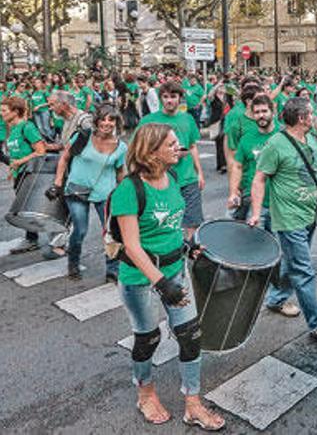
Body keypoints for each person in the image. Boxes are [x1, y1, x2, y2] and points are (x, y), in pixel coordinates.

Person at [110, 123, 225, 431]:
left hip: (176, 270)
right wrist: (161, 284)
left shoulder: (172, 177)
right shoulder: (129, 189)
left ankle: (193, 404)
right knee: (148, 338)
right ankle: (145, 394)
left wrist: (188, 246)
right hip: (140, 279)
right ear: (151, 151)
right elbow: (132, 247)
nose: (179, 147)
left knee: (190, 335)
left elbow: (172, 226)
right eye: (171, 144)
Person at [248, 97, 317, 341]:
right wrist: (256, 213)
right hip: (288, 220)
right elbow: (259, 179)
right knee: (303, 270)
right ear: (302, 118)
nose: (315, 117)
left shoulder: (310, 138)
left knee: (292, 264)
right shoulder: (275, 145)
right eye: (311, 113)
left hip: (309, 215)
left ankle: (276, 299)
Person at [51, 105, 126, 281]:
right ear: (96, 121)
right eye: (103, 119)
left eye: (111, 119)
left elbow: (120, 172)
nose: (107, 123)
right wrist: (58, 182)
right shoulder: (83, 136)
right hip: (76, 190)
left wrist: (125, 193)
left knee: (111, 232)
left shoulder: (121, 147)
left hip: (105, 193)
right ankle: (73, 264)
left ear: (116, 122)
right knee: (80, 230)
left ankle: (112, 269)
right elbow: (65, 158)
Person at [138, 81, 205, 240]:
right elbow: (139, 149)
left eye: (173, 96)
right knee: (166, 222)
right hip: (160, 179)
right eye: (165, 97)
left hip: (188, 178)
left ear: (180, 98)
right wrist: (164, 154)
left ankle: (190, 251)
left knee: (193, 222)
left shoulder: (187, 118)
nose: (169, 101)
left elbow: (192, 146)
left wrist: (199, 173)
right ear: (160, 98)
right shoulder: (149, 121)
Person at [2, 96, 47, 254]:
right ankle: (32, 237)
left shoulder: (27, 127)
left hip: (30, 173)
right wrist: (12, 169)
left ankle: (32, 239)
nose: (1, 113)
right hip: (19, 174)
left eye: (4, 110)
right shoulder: (12, 128)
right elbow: (15, 153)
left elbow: (41, 151)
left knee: (26, 208)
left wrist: (20, 162)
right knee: (26, 208)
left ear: (15, 111)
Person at [226, 94, 278, 221]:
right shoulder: (247, 138)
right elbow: (237, 166)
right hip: (255, 202)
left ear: (273, 112)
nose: (261, 115)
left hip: (280, 202)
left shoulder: (283, 135)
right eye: (257, 112)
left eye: (264, 111)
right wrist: (233, 192)